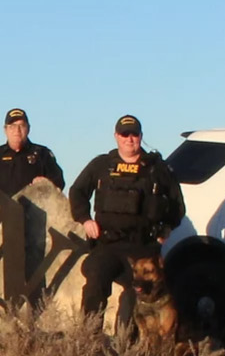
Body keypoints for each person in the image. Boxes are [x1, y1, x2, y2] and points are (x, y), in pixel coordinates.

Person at [68, 115, 185, 323]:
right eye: (124, 134)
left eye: (134, 134)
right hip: (108, 243)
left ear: (140, 136)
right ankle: (89, 343)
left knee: (137, 299)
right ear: (116, 136)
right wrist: (85, 219)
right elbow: (77, 191)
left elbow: (177, 204)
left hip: (143, 247)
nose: (129, 139)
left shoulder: (156, 169)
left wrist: (167, 227)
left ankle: (129, 350)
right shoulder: (102, 165)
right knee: (95, 282)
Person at [0, 108, 66, 215]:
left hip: (36, 222)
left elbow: (59, 183)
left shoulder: (42, 154)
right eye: (12, 126)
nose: (17, 130)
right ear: (5, 130)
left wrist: (46, 183)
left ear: (28, 129)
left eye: (21, 126)